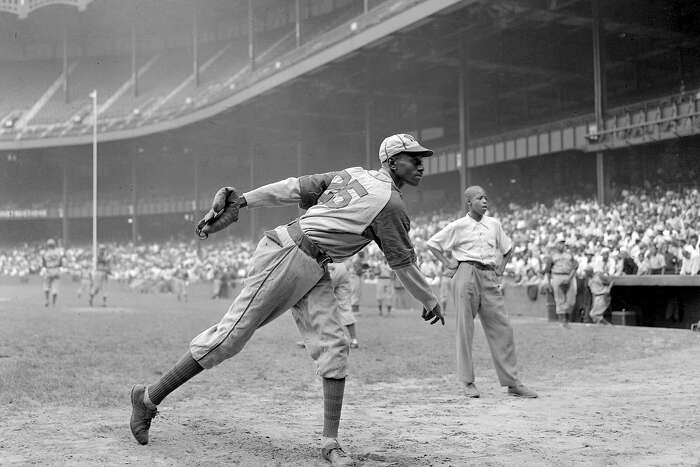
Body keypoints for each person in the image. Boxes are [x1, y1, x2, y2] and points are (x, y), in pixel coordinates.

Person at [129, 133, 444, 466]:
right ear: (392, 162)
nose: (421, 164)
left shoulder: (352, 174)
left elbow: (294, 186)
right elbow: (404, 264)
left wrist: (244, 200)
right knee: (228, 339)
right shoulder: (390, 204)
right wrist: (429, 299)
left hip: (315, 265)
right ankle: (147, 399)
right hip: (287, 255)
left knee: (335, 345)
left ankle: (330, 443)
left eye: (421, 158)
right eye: (413, 158)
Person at [426, 185, 537, 399]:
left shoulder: (494, 224)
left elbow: (508, 248)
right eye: (479, 198)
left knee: (503, 328)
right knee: (465, 329)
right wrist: (448, 262)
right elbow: (433, 244)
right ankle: (468, 382)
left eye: (486, 197)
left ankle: (512, 383)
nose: (485, 201)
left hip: (489, 275)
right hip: (466, 272)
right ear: (469, 203)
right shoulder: (458, 225)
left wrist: (502, 268)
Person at [544, 235, 578, 328]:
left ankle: (566, 320)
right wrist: (548, 282)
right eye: (560, 243)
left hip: (568, 276)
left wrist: (570, 278)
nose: (562, 245)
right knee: (559, 300)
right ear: (556, 245)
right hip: (557, 276)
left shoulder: (569, 255)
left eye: (563, 243)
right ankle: (563, 321)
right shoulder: (552, 256)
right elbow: (547, 270)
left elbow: (575, 266)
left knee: (571, 300)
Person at [41, 238, 64, 307]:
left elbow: (44, 264)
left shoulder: (45, 253)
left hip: (48, 270)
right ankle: (54, 303)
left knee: (46, 286)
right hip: (56, 270)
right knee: (55, 287)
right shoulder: (58, 253)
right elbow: (60, 263)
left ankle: (47, 300)